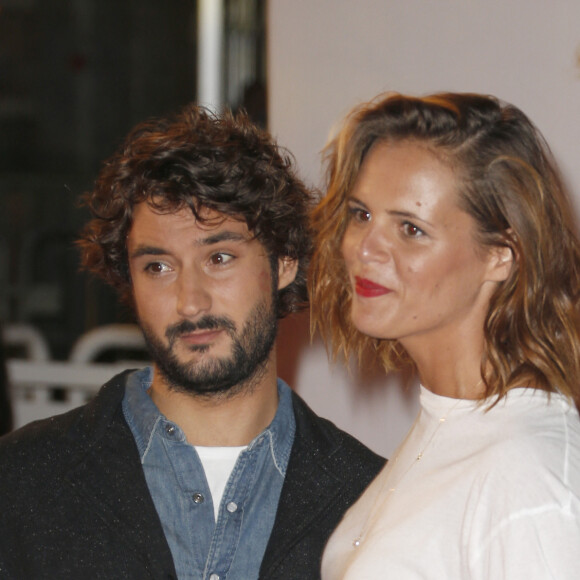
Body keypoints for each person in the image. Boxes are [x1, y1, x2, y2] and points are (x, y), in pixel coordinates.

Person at [0, 105, 384, 579]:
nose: (190, 301)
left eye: (219, 257)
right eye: (157, 267)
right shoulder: (22, 484)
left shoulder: (373, 500)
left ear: (284, 261)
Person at [309, 92, 580, 579]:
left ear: (501, 254)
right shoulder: (451, 425)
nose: (365, 249)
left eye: (410, 229)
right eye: (361, 214)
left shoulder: (528, 475)